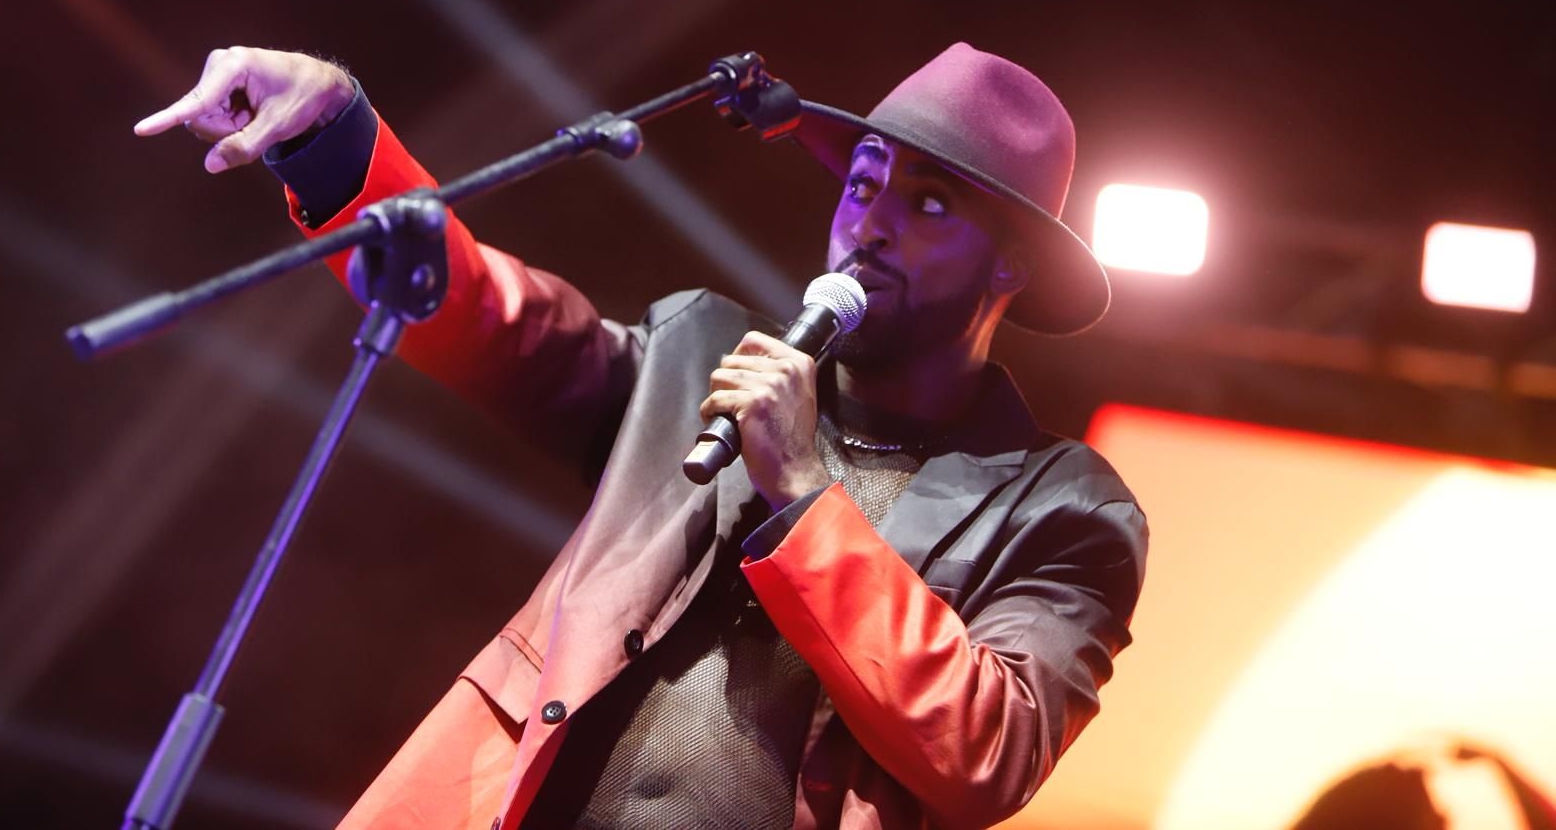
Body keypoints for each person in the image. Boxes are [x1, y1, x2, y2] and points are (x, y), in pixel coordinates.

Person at [135, 42, 1149, 829]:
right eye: (862, 180)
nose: (870, 222)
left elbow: (990, 747)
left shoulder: (1062, 508)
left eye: (928, 203)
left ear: (1009, 268)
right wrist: (332, 136)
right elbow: (487, 312)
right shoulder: (693, 355)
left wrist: (801, 491)